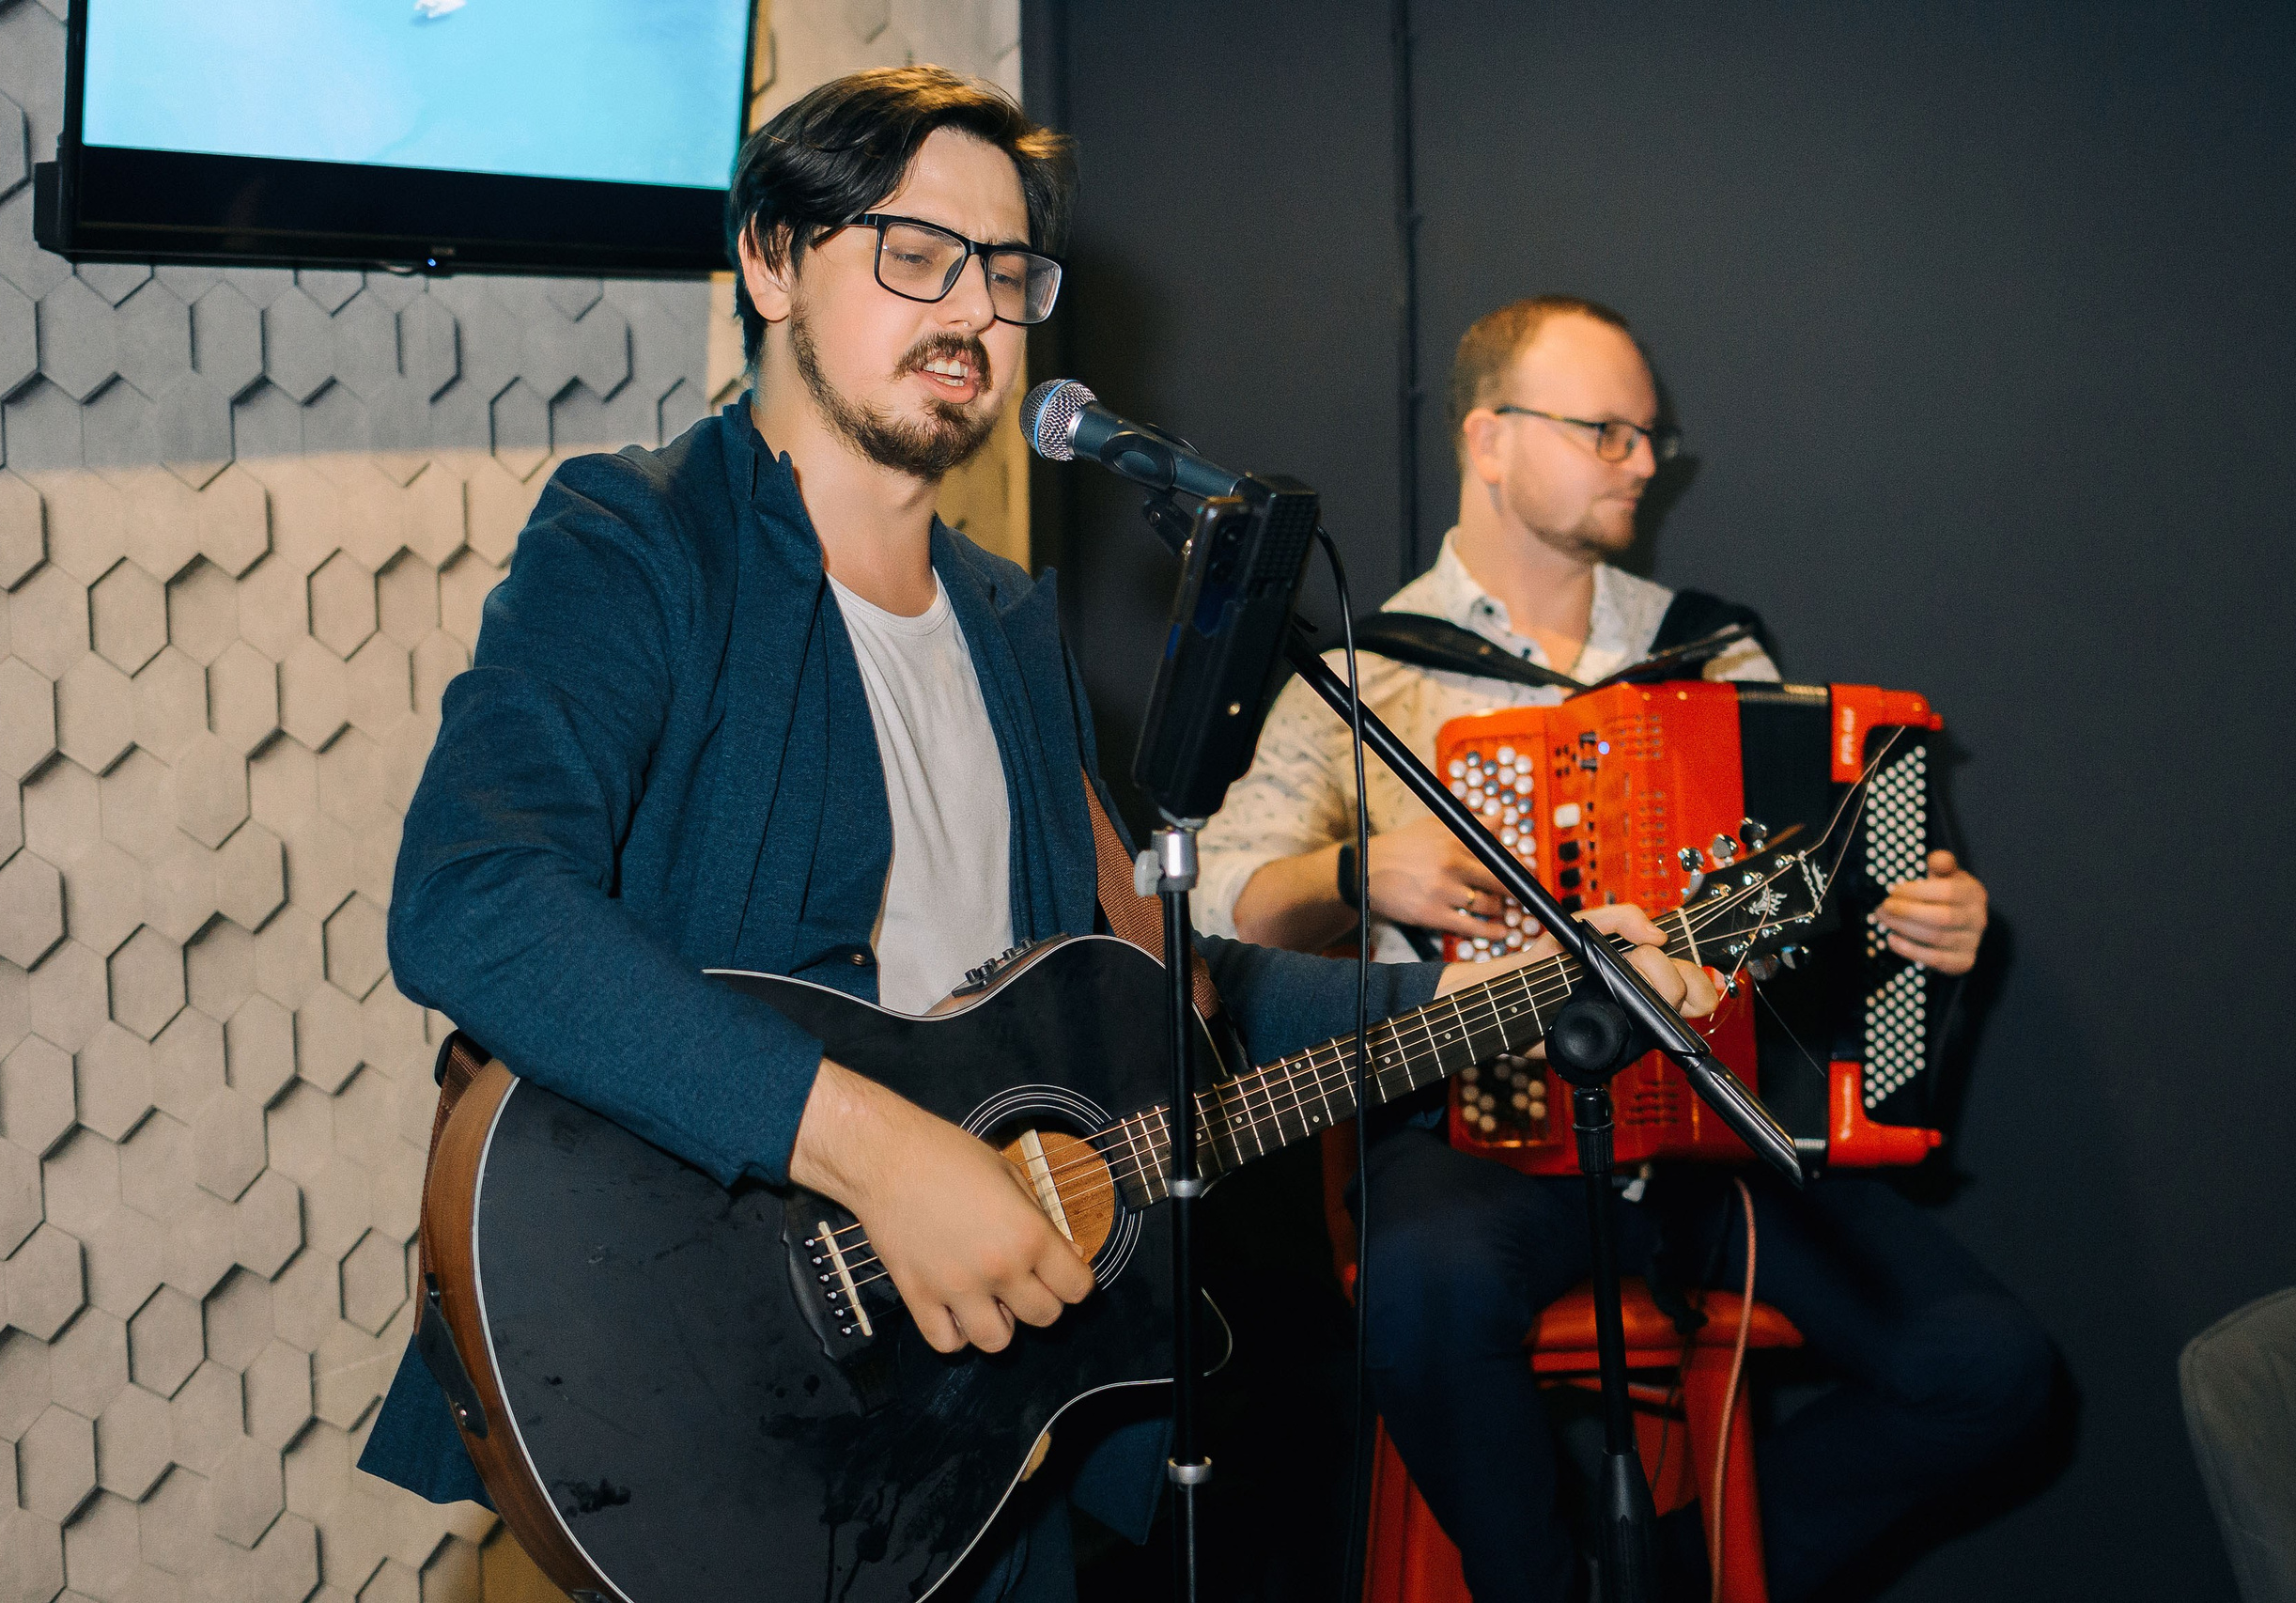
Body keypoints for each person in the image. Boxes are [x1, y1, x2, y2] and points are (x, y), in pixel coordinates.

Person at [351, 82, 1718, 1602]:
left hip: (976, 1444)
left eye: (1006, 276)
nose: (976, 315)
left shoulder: (1007, 619)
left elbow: (1154, 990)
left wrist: (1485, 1002)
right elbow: (472, 901)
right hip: (663, 1416)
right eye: (916, 254)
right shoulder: (638, 539)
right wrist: (879, 1152)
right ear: (771, 259)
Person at [1192, 296, 2056, 1601]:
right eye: (1606, 431)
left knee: (1991, 1364)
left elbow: (1808, 904)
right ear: (1487, 440)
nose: (1643, 463)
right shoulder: (1373, 670)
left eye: (1650, 438)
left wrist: (1918, 921)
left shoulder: (1710, 647)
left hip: (1714, 1141)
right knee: (1418, 1296)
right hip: (1481, 1137)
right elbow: (1211, 907)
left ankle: (1675, 1585)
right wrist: (1355, 871)